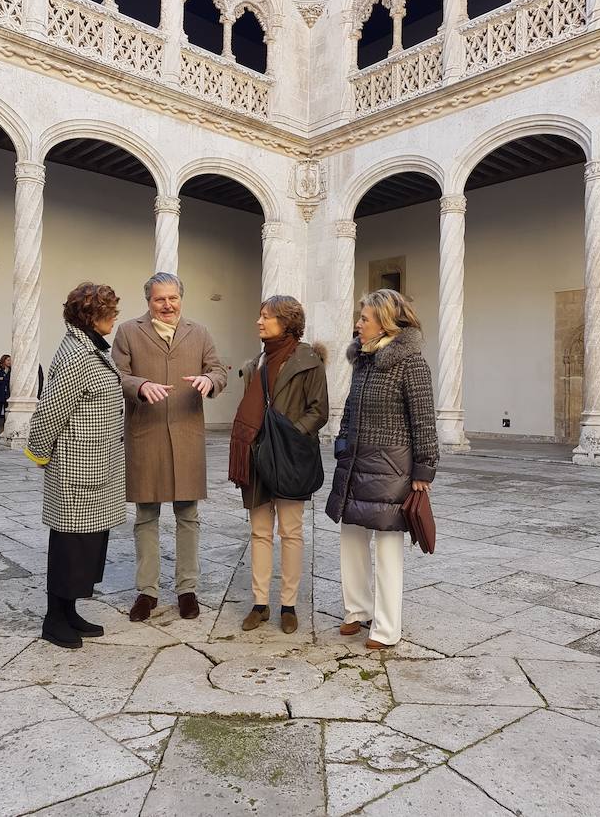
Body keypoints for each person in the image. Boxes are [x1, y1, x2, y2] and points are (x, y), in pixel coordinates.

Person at [326, 289, 438, 650]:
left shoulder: (412, 363)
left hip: (393, 468)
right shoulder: (363, 360)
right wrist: (342, 445)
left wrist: (424, 470)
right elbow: (349, 411)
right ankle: (356, 610)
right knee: (351, 536)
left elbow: (424, 421)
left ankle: (387, 628)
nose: (358, 323)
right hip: (356, 462)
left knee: (388, 546)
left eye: (364, 318)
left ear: (385, 322)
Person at [112, 272, 227, 622]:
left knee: (188, 515)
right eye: (160, 299)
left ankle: (186, 589)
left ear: (181, 298)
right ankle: (147, 592)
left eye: (173, 298)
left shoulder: (199, 332)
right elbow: (115, 374)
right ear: (148, 301)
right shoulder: (129, 332)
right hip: (145, 434)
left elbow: (219, 369)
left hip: (186, 434)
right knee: (146, 516)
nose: (167, 305)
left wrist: (210, 379)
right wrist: (139, 384)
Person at [25, 282, 125, 649]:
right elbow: (50, 411)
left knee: (86, 544)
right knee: (70, 545)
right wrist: (39, 453)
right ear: (91, 315)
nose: (115, 315)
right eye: (110, 310)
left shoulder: (92, 348)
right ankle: (54, 619)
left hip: (96, 465)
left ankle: (68, 611)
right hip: (75, 468)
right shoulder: (75, 356)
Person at [229, 295, 328, 634]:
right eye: (259, 316)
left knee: (290, 532)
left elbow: (318, 411)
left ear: (286, 322)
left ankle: (288, 604)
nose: (259, 322)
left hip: (290, 457)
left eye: (267, 317)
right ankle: (260, 603)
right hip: (257, 457)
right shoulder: (257, 363)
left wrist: (291, 436)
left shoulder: (308, 361)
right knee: (259, 532)